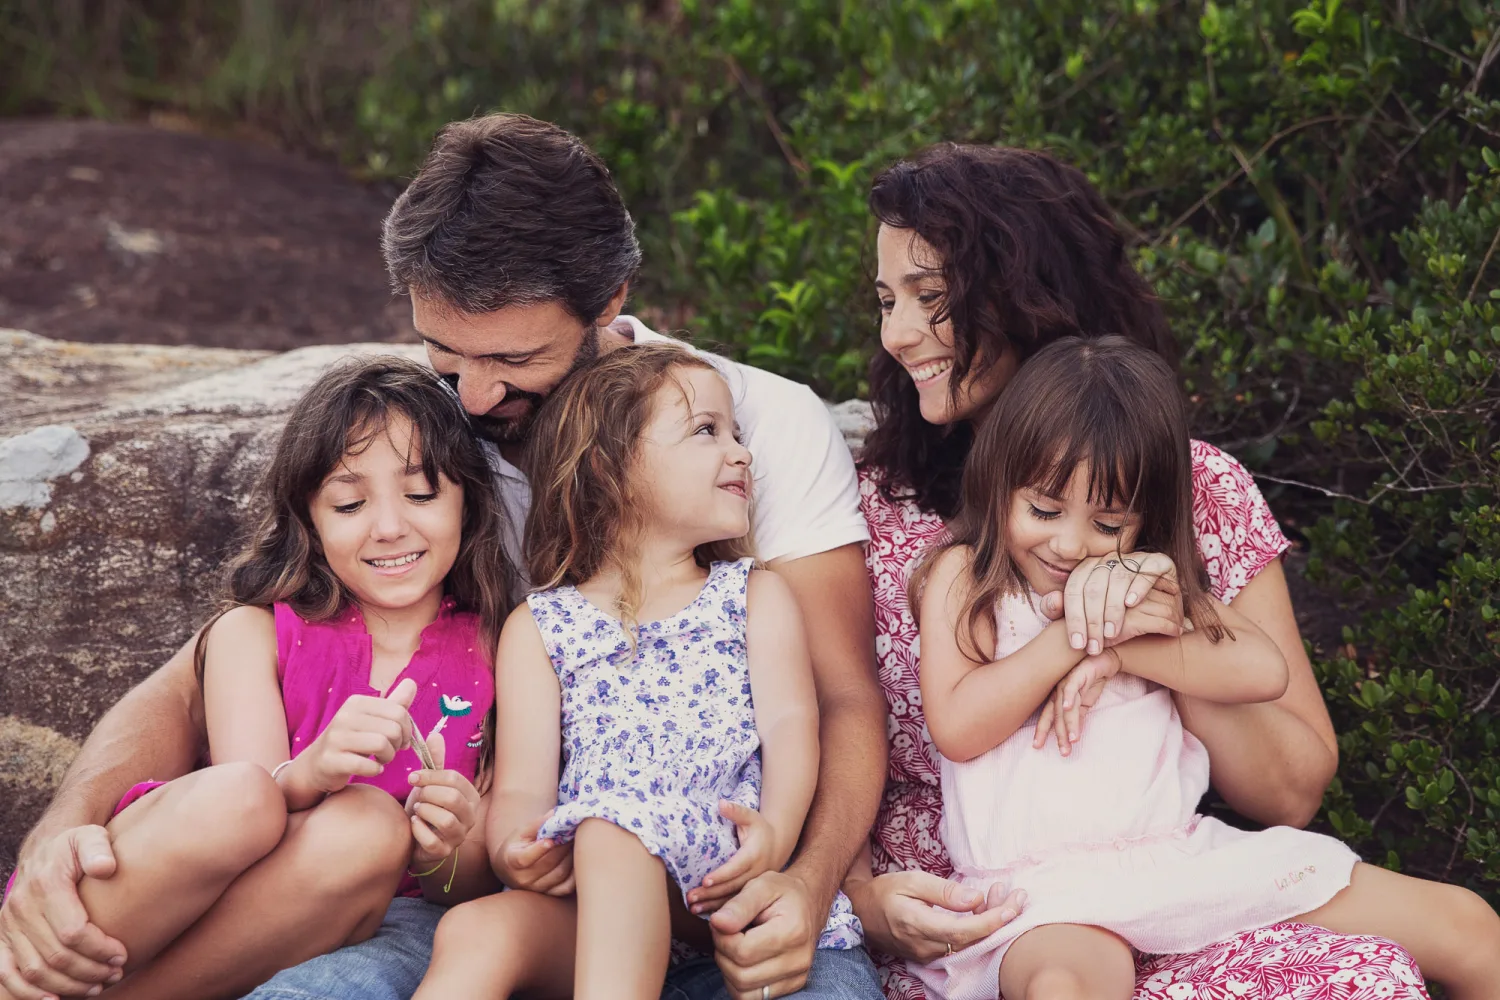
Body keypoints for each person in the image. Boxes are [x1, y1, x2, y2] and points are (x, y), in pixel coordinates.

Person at [0, 115, 887, 1000]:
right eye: (443, 352)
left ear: (609, 300)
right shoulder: (426, 441)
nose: (477, 394)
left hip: (731, 894)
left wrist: (809, 887)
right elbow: (196, 675)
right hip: (490, 908)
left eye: (514, 357)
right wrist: (58, 834)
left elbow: (843, 700)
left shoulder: (756, 427)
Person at [844, 142, 1433, 998]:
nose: (898, 334)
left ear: (1026, 297)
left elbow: (1290, 789)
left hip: (1178, 880)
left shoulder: (1194, 488)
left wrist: (1136, 629)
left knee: (1375, 972)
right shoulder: (871, 514)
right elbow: (819, 725)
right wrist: (858, 899)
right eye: (887, 300)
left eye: (931, 300)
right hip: (982, 921)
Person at [909, 335, 1500, 1000]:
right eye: (1044, 510)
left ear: (1146, 519)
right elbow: (958, 726)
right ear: (998, 482)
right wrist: (1073, 642)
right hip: (1046, 893)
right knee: (1065, 985)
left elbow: (1262, 670)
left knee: (1471, 927)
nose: (1070, 544)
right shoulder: (968, 575)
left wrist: (1125, 644)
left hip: (1179, 860)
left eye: (1108, 524)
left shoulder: (1143, 587)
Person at [0, 357, 508, 1000]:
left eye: (422, 494)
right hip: (177, 890)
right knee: (241, 795)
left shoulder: (498, 652)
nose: (389, 527)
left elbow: (470, 885)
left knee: (370, 828)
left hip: (320, 916)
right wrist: (313, 770)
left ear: (468, 500)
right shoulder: (255, 634)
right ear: (310, 521)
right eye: (350, 503)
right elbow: (252, 815)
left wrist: (443, 849)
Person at [415, 343, 862, 999]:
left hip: (720, 880)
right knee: (478, 930)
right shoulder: (541, 626)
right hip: (595, 902)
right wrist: (514, 848)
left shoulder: (750, 597)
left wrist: (777, 835)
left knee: (612, 832)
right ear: (611, 466)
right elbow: (522, 786)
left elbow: (793, 729)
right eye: (707, 431)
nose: (741, 453)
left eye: (737, 434)